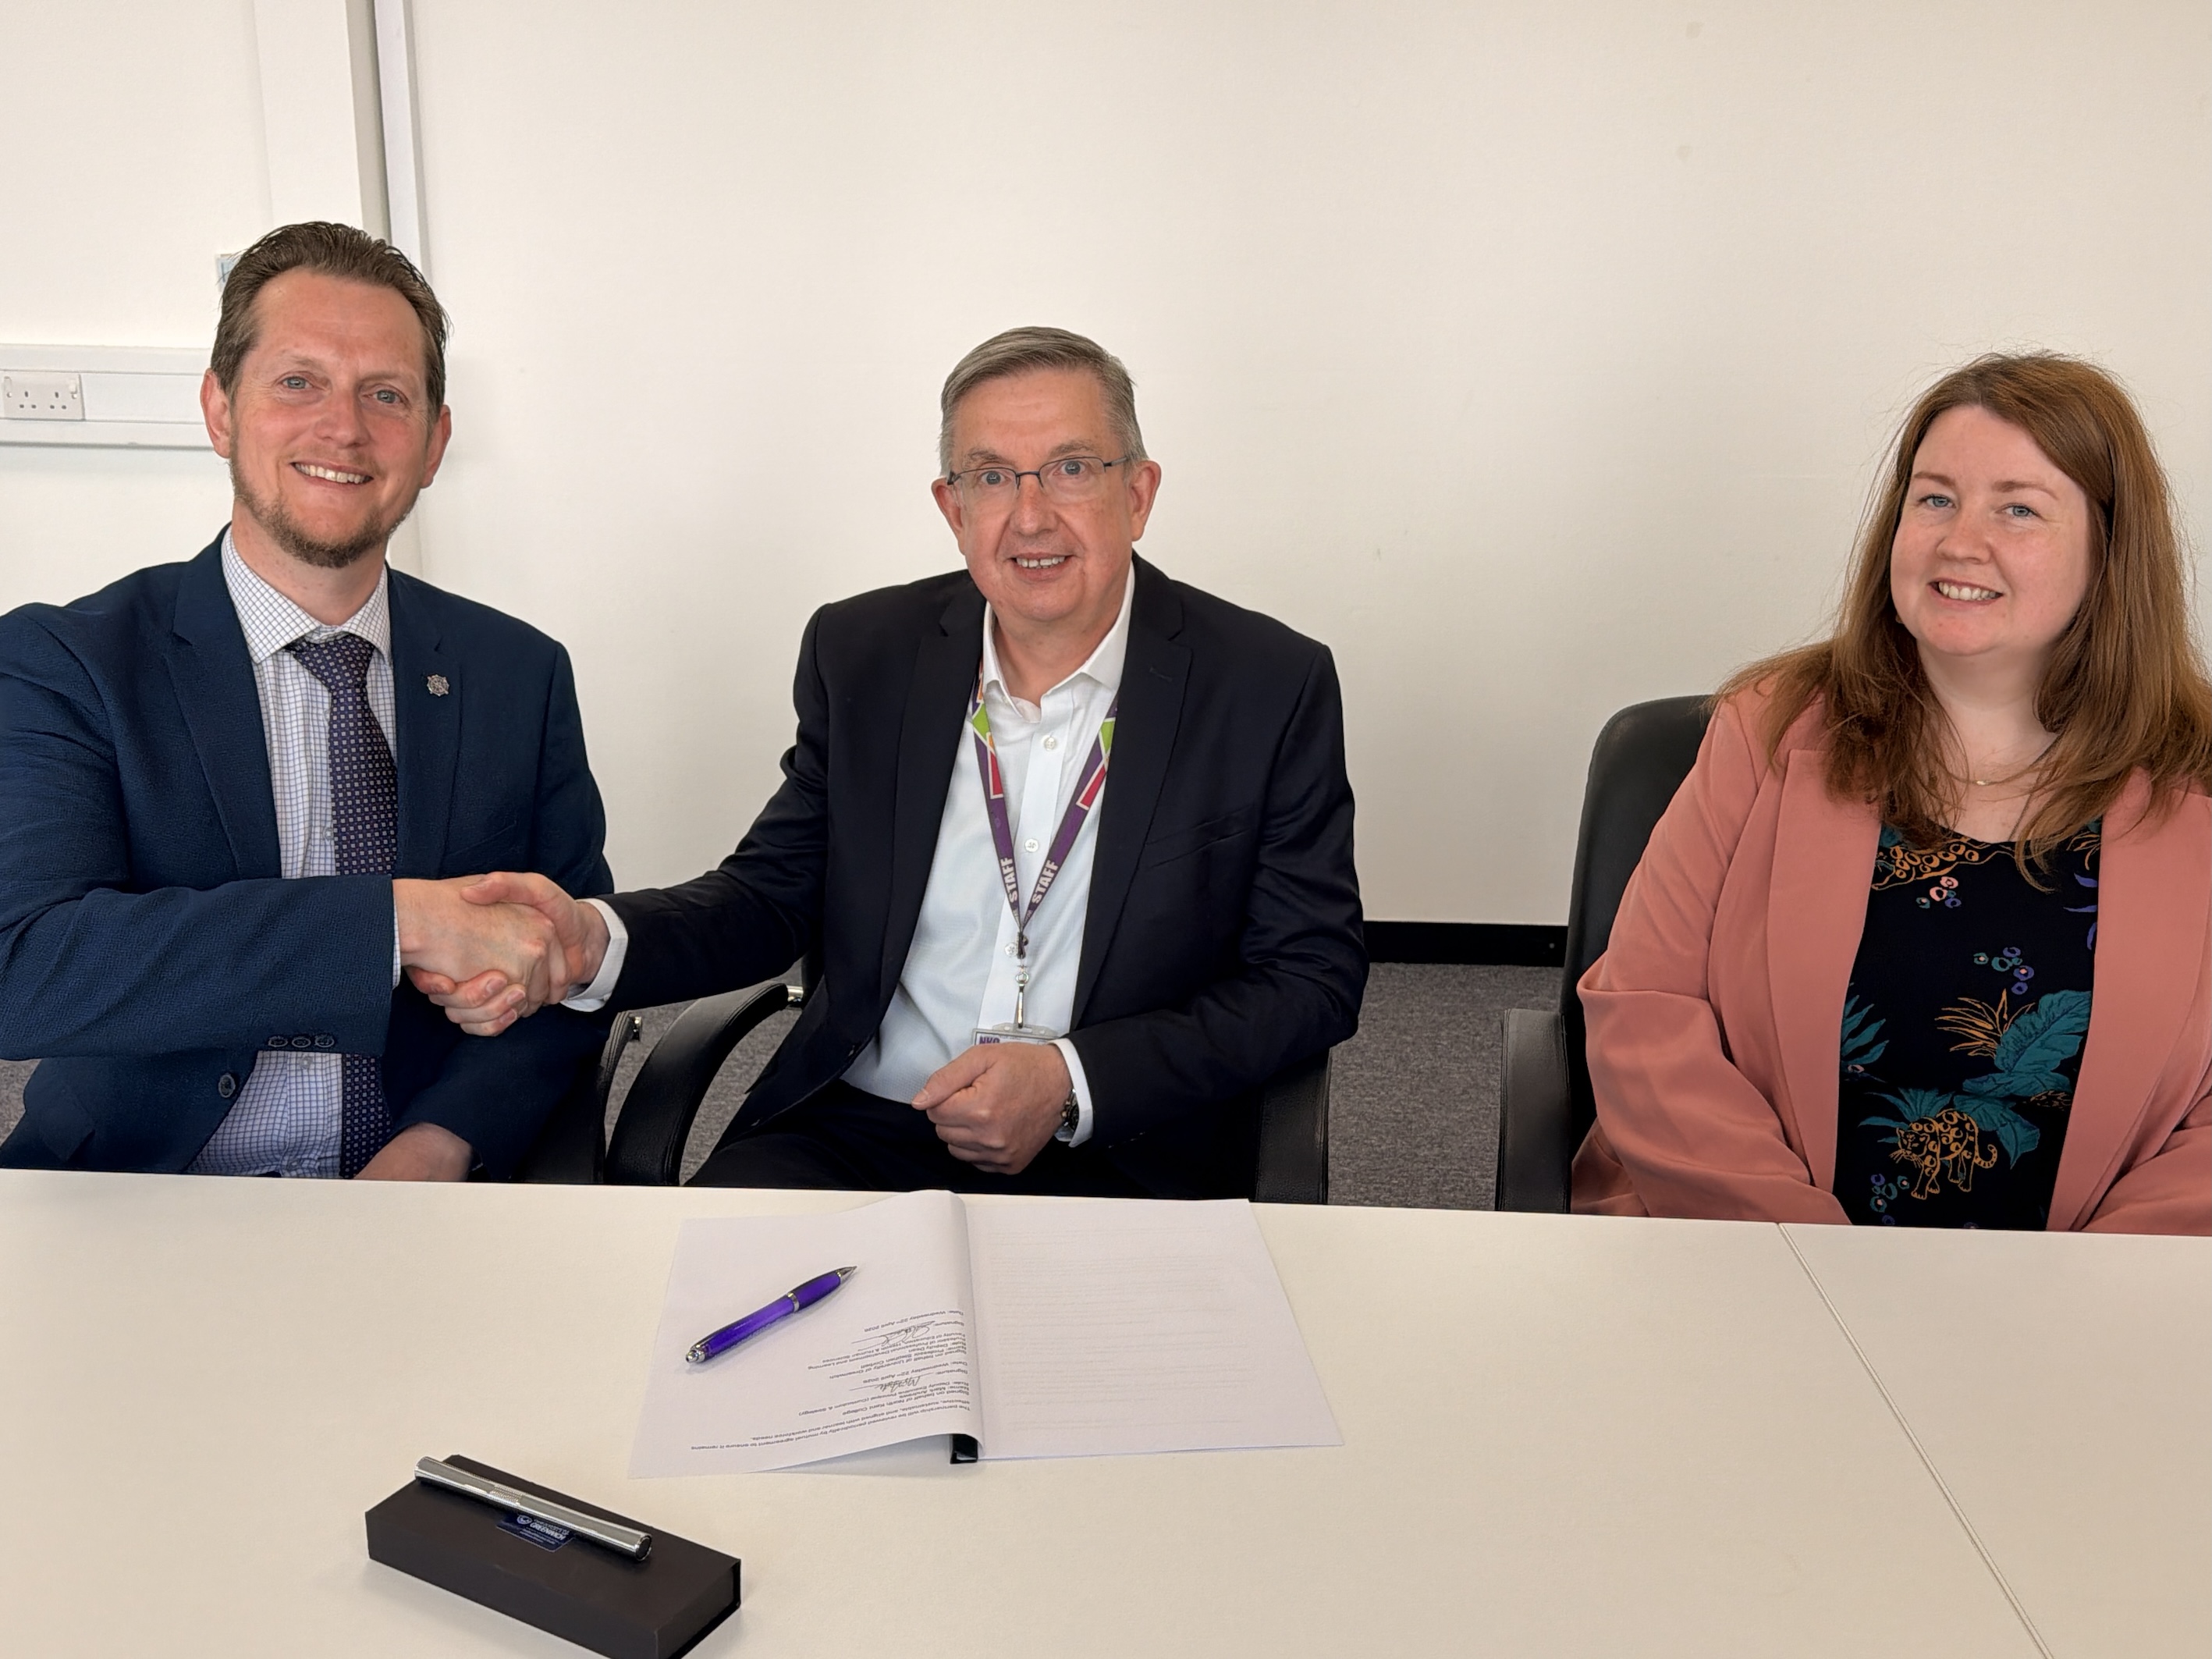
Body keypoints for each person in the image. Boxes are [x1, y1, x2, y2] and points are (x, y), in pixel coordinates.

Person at [417, 326, 1365, 1196]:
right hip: (866, 1128)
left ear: (1139, 493)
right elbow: (769, 896)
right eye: (991, 477)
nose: (1030, 515)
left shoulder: (1266, 684)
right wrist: (595, 938)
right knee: (698, 1326)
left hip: (1121, 1144)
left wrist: (1071, 1079)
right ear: (952, 509)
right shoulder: (865, 653)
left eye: (1070, 468)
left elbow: (1310, 974)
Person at [0, 222, 610, 1180]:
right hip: (139, 1188)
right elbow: (28, 969)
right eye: (298, 381)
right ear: (219, 410)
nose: (345, 427)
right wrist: (398, 922)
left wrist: (439, 1143)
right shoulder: (66, 660)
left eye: (387, 394)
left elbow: (570, 970)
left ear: (436, 441)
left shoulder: (518, 673)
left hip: (421, 1189)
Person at [1575, 353, 2210, 1234]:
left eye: (2018, 508)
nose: (1959, 541)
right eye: (1935, 498)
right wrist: (1809, 1265)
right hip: (1755, 1263)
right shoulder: (1764, 731)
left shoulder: (2199, 781)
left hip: (2088, 1313)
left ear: (2111, 553)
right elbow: (1645, 1006)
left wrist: (2082, 1301)